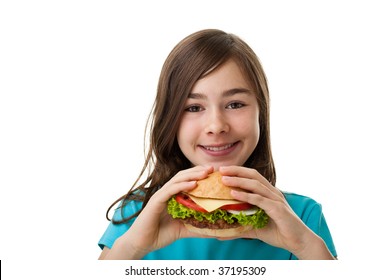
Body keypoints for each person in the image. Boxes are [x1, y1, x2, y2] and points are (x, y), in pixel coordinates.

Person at [98, 29, 337, 260]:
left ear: (261, 113)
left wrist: (305, 246)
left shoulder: (303, 216)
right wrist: (131, 248)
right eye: (193, 108)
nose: (216, 126)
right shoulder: (134, 214)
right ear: (169, 119)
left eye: (235, 104)